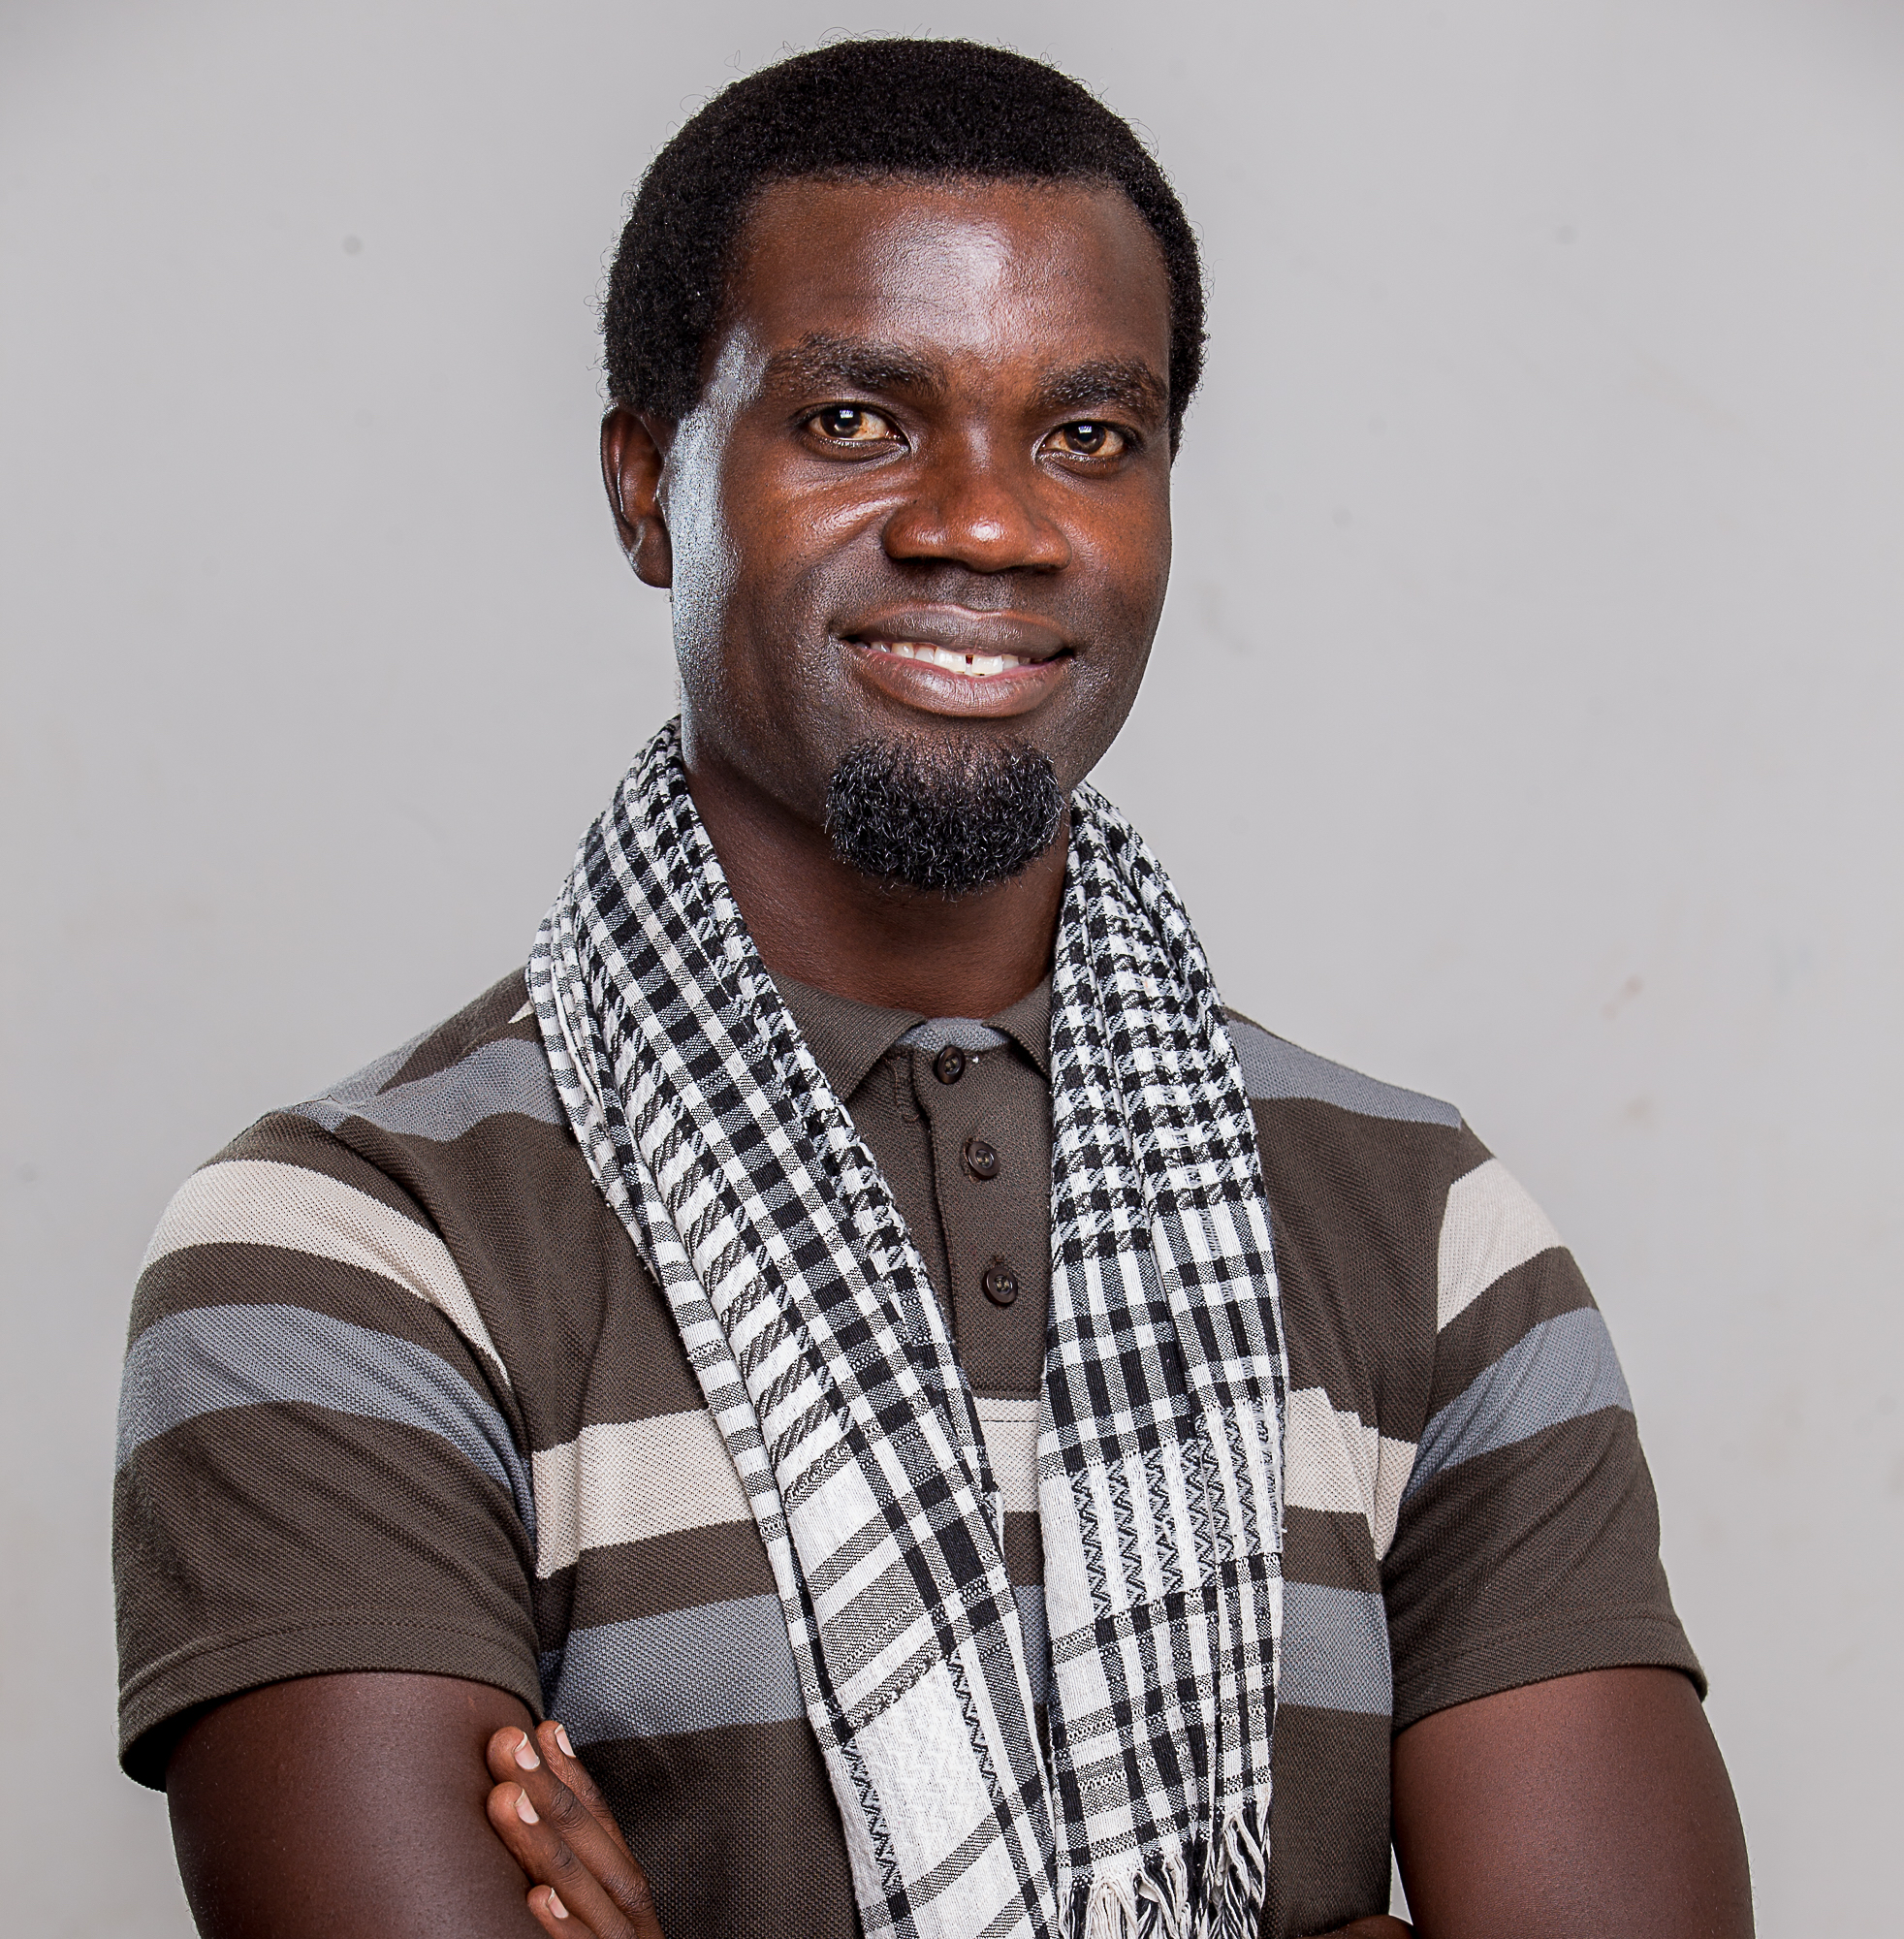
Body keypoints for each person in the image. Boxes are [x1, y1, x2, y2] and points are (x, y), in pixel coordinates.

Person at [113, 38, 1752, 1939]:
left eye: (1088, 436)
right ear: (647, 485)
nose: (987, 523)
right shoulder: (351, 1259)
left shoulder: (1429, 1237)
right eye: (855, 420)